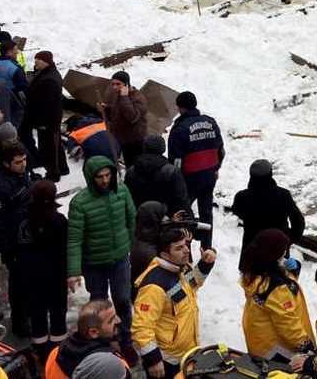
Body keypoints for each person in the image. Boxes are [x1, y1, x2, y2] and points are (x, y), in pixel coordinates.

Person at [66, 156, 137, 364]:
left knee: (123, 300)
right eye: (100, 177)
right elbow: (74, 239)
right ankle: (102, 343)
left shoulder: (122, 191)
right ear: (90, 178)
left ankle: (125, 341)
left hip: (119, 259)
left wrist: (125, 243)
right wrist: (73, 271)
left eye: (108, 175)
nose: (105, 180)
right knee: (99, 304)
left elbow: (131, 219)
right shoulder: (80, 203)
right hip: (94, 263)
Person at [133, 229, 216, 379]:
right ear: (164, 255)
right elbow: (142, 328)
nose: (186, 250)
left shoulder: (178, 269)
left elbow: (192, 282)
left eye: (185, 245)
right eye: (178, 248)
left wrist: (205, 264)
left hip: (187, 354)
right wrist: (153, 361)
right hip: (167, 362)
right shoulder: (154, 286)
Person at [240, 229, 315, 363]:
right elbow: (287, 324)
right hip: (279, 352)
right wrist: (306, 346)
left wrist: (293, 268)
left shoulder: (256, 272)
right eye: (283, 251)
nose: (285, 253)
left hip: (261, 343)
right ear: (272, 256)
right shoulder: (276, 288)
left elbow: (288, 282)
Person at [0, 143, 31, 337]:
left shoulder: (20, 177)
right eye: (18, 162)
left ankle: (27, 317)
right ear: (6, 163)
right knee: (19, 287)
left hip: (27, 239)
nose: (23, 165)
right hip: (15, 246)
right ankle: (20, 324)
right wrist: (7, 250)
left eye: (24, 160)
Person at [167, 91, 223, 249]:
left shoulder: (179, 129)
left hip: (188, 179)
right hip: (209, 176)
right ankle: (207, 246)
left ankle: (183, 246)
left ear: (180, 108)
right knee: (206, 212)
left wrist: (175, 180)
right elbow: (220, 150)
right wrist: (216, 168)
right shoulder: (211, 122)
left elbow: (176, 160)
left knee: (182, 213)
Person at [20, 179, 68, 358]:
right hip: (56, 275)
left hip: (32, 276)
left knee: (37, 311)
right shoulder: (59, 221)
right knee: (58, 310)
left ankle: (40, 347)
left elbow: (21, 247)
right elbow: (66, 247)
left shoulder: (25, 221)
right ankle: (58, 345)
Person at [230, 159, 305, 266]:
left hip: (252, 252)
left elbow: (236, 213)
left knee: (249, 282)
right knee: (278, 281)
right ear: (270, 174)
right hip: (277, 251)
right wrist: (287, 241)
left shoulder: (242, 197)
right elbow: (299, 222)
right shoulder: (283, 196)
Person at [44, 299, 130, 379]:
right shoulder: (111, 366)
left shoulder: (55, 353)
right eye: (111, 320)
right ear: (93, 332)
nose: (118, 320)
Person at [23, 50, 67, 182]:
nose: (35, 62)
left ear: (46, 62)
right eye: (35, 59)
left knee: (49, 148)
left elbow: (49, 105)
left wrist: (43, 122)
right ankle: (63, 168)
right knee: (55, 145)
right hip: (47, 120)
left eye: (39, 60)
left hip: (47, 121)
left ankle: (53, 174)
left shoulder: (50, 79)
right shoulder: (46, 73)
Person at [124, 135, 189, 214]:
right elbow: (181, 200)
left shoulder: (131, 171)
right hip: (168, 218)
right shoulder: (171, 171)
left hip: (141, 217)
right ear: (163, 149)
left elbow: (127, 198)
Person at [97, 71, 148, 167]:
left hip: (135, 141)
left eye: (118, 84)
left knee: (137, 167)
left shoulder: (138, 98)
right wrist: (106, 108)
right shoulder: (119, 94)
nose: (115, 87)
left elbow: (132, 117)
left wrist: (124, 97)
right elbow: (119, 110)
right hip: (124, 139)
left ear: (127, 84)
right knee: (129, 165)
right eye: (113, 84)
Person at [0, 40, 28, 127]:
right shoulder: (15, 68)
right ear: (9, 52)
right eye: (15, 50)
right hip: (10, 107)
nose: (17, 52)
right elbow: (22, 90)